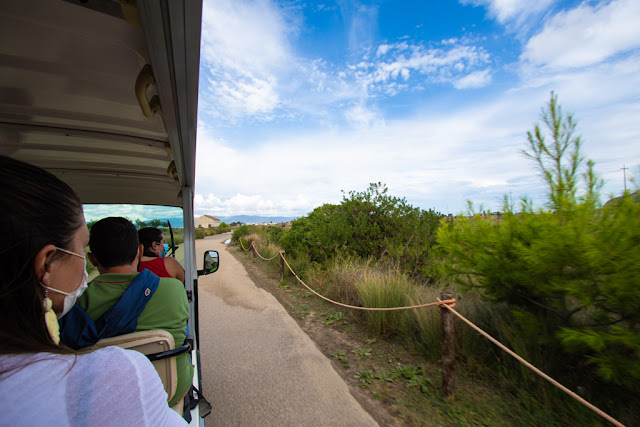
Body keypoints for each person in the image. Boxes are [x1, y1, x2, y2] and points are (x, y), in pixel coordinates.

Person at [0, 155, 186, 425]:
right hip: (174, 386)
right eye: (78, 246)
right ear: (47, 264)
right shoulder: (125, 374)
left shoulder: (80, 304)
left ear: (94, 259)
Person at [67, 217, 193, 408]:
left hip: (108, 398)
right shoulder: (174, 288)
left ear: (91, 259)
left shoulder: (76, 303)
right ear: (140, 250)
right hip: (171, 390)